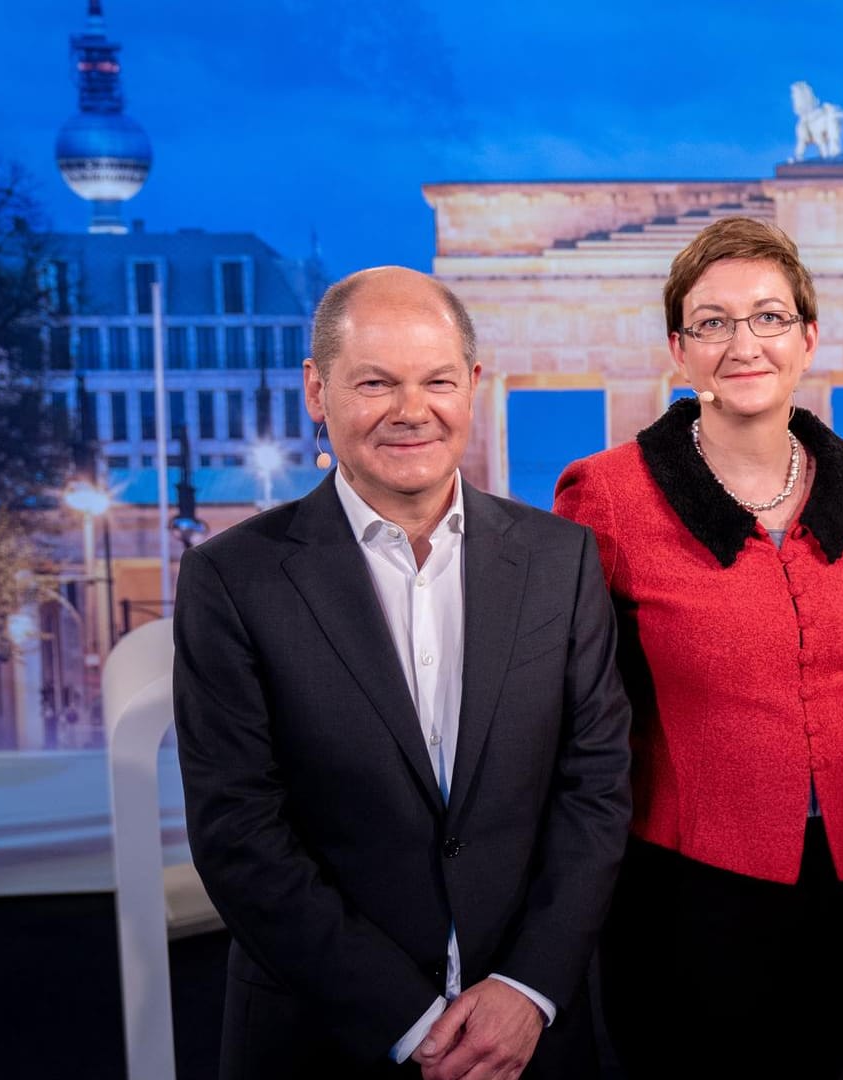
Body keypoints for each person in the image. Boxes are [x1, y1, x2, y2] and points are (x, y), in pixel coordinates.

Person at [173, 266, 632, 1080]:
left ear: (474, 385)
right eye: (375, 382)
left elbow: (594, 788)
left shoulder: (563, 560)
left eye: (437, 381)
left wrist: (527, 988)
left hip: (534, 1038)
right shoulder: (230, 580)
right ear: (317, 390)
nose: (411, 411)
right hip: (323, 1038)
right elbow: (238, 831)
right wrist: (413, 1020)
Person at [552, 217, 843, 1077]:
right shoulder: (605, 495)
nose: (742, 343)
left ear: (808, 338)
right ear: (679, 351)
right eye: (712, 322)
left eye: (769, 318)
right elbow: (568, 726)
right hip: (680, 894)